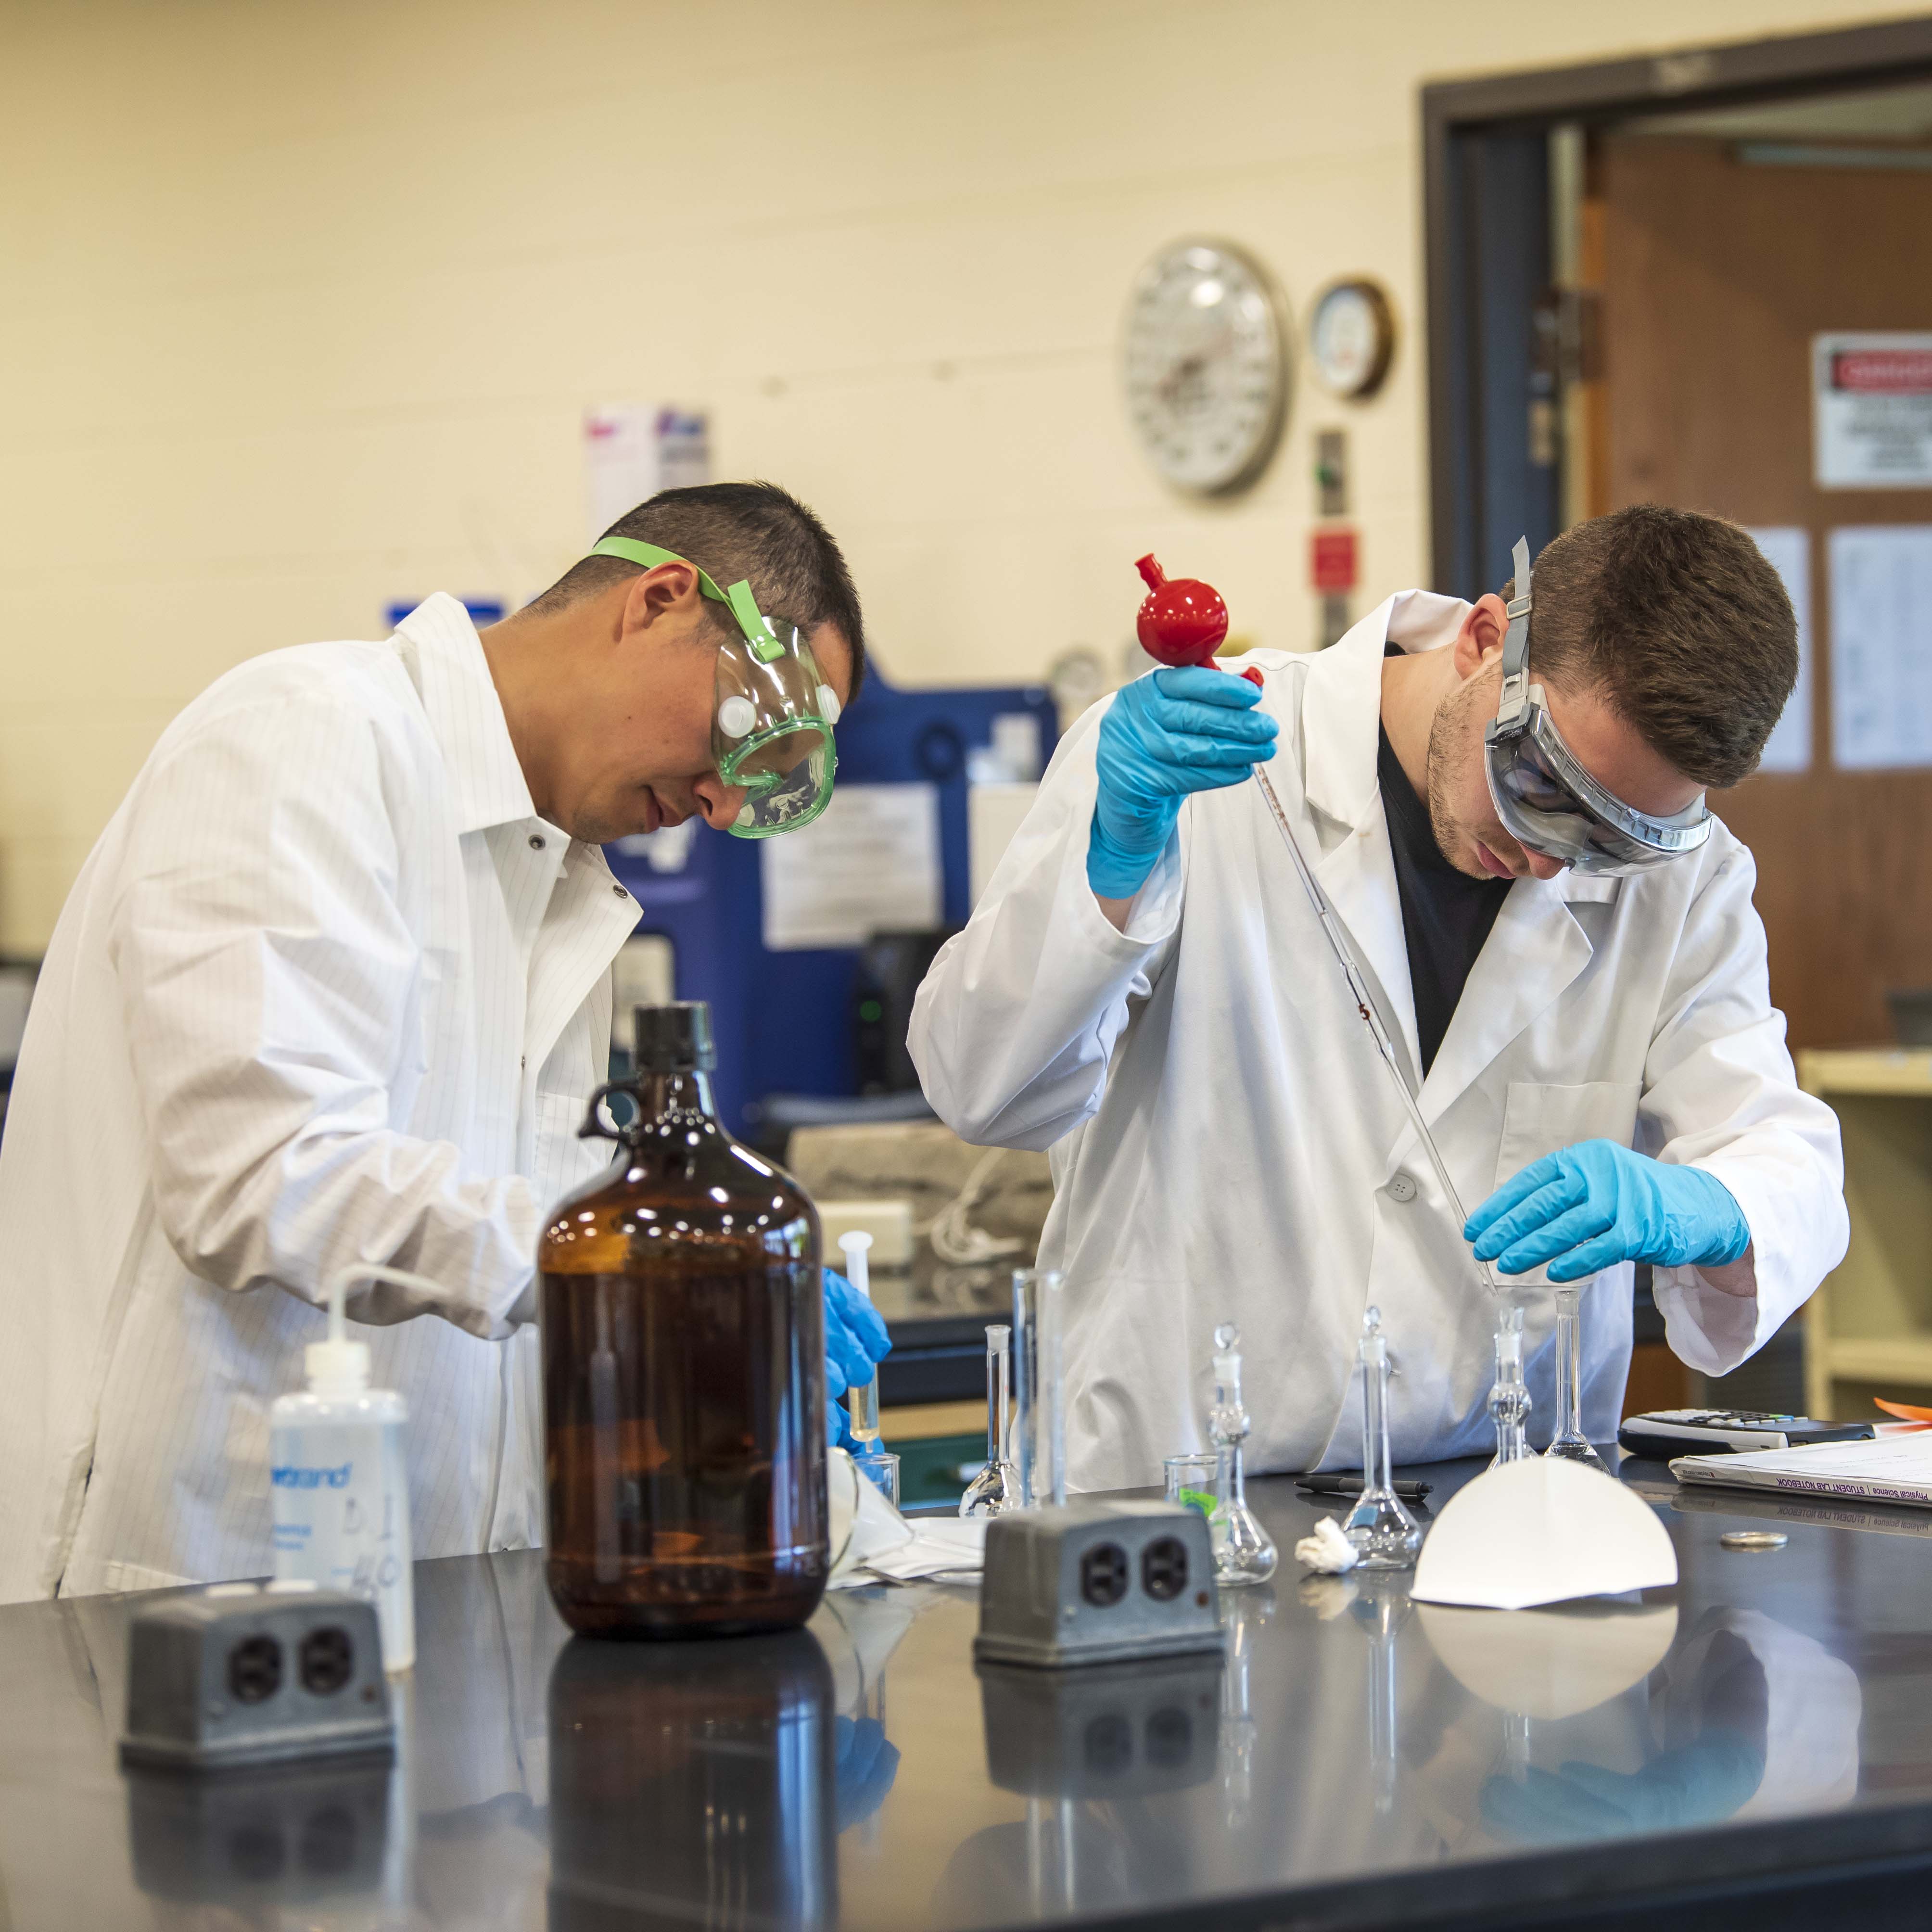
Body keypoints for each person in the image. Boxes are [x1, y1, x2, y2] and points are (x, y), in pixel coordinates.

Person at [0, 480, 889, 1602]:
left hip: (427, 1594)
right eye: (749, 734)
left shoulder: (561, 878)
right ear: (662, 600)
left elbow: (507, 1238)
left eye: (768, 783)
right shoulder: (304, 739)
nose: (721, 801)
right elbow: (263, 1173)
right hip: (179, 1582)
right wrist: (655, 1268)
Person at [910, 505, 1845, 1491]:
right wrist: (1109, 871)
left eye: (1614, 839)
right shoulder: (1202, 766)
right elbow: (979, 1087)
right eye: (1538, 779)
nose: (1546, 854)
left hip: (1504, 1516)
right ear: (1486, 641)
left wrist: (1710, 1201)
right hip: (1169, 1505)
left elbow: (1776, 1152)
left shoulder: (1683, 886)